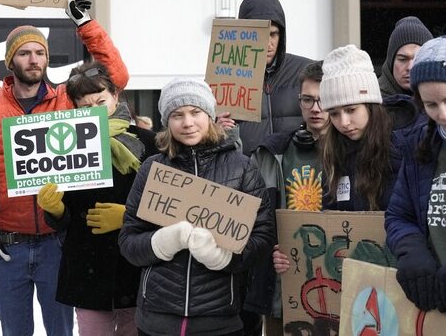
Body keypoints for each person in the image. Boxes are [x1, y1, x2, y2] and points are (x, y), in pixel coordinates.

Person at [0, 0, 128, 336]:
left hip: (57, 243)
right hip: (8, 247)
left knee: (62, 332)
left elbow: (116, 76)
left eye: (39, 52)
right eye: (24, 53)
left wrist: (85, 25)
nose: (33, 59)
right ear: (11, 60)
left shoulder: (66, 101)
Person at [118, 77, 275, 336]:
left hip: (219, 319)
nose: (187, 122)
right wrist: (162, 241)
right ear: (167, 121)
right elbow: (128, 241)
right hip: (157, 319)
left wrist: (223, 257)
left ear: (210, 115)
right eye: (177, 114)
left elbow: (262, 237)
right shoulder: (152, 169)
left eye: (195, 112)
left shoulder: (243, 167)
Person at [40, 61, 157, 336]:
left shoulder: (149, 142)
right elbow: (63, 218)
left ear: (115, 96)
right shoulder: (64, 147)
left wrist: (129, 216)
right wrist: (55, 209)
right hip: (87, 265)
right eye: (85, 107)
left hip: (135, 265)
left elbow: (166, 206)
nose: (95, 111)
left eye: (101, 101)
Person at [385, 27, 446, 317]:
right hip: (441, 308)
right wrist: (411, 251)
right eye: (431, 104)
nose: (443, 115)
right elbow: (399, 214)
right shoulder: (423, 144)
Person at [247, 61, 328, 334]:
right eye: (307, 100)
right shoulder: (271, 154)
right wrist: (268, 250)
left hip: (335, 288)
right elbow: (252, 218)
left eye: (323, 99)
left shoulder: (353, 155)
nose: (315, 108)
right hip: (283, 290)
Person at [318, 44, 403, 211]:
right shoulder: (333, 151)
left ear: (370, 105)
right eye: (334, 114)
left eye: (351, 110)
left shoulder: (399, 148)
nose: (343, 122)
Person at [235, 0, 313, 156]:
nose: (268, 43)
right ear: (245, 34)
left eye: (273, 34)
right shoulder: (227, 78)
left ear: (281, 35)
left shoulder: (306, 70)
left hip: (298, 173)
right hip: (249, 174)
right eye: (261, 35)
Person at [378, 16, 433, 97]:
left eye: (417, 59)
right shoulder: (373, 103)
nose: (410, 67)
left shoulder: (443, 101)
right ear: (391, 62)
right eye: (403, 59)